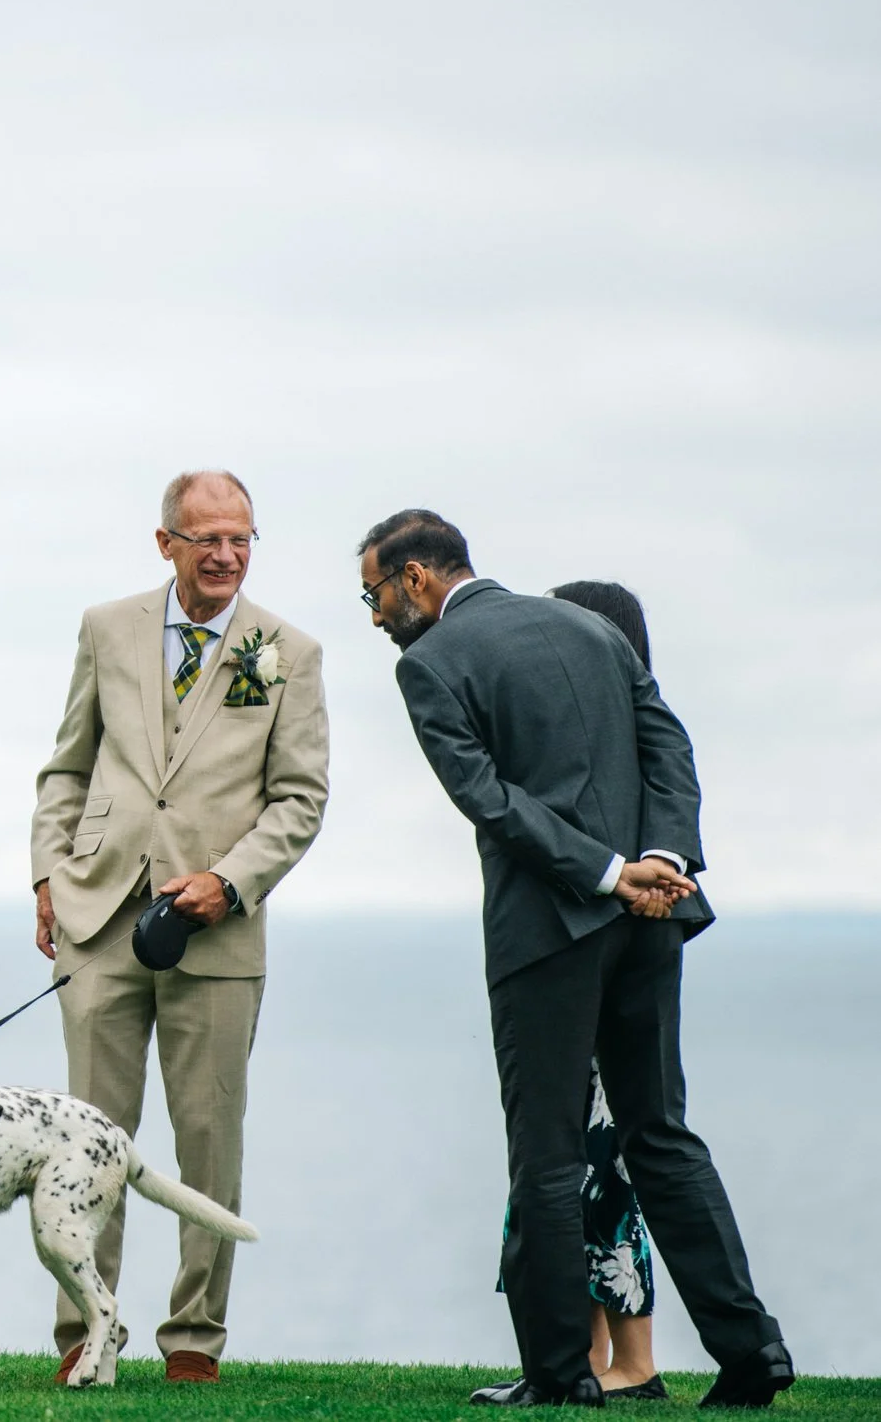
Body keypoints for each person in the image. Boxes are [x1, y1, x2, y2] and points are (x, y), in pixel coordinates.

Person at [358, 510, 791, 1409]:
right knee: (661, 1135)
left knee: (547, 1154)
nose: (375, 617)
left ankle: (561, 1374)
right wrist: (660, 860)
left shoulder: (429, 662)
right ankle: (753, 1351)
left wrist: (606, 874)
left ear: (415, 578)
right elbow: (669, 744)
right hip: (653, 917)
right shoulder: (590, 626)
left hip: (550, 929)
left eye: (375, 595)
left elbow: (488, 798)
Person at [29, 470, 330, 1385]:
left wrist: (228, 883)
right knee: (88, 1138)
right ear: (166, 542)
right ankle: (86, 1331)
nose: (226, 556)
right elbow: (66, 767)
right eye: (207, 539)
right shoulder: (105, 627)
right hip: (98, 916)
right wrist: (47, 874)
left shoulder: (290, 651)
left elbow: (300, 799)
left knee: (208, 1140)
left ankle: (194, 1336)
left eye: (241, 538)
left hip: (218, 935)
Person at [493, 582, 669, 1400]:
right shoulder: (637, 740)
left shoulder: (606, 748)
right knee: (590, 1168)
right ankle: (596, 1355)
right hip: (607, 966)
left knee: (586, 1168)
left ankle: (623, 1360)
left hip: (583, 966)